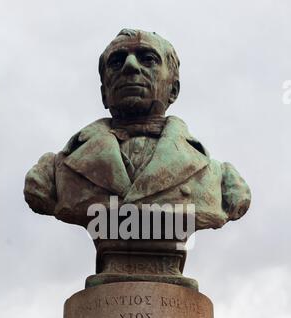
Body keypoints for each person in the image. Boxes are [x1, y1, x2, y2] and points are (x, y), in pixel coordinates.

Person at [24, 29, 250, 231]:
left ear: (173, 89)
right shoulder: (53, 172)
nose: (130, 66)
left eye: (148, 59)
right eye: (117, 62)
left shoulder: (220, 178)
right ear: (104, 93)